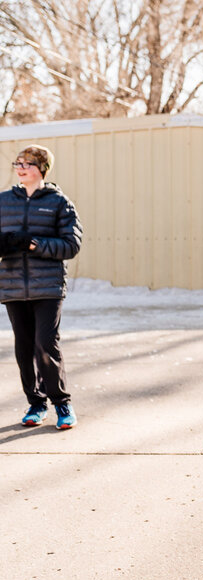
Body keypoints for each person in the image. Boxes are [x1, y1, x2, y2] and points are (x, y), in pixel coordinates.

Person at [0, 145, 82, 429]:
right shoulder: (3, 201)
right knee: (24, 348)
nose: (21, 168)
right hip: (12, 286)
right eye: (18, 163)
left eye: (28, 163)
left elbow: (72, 244)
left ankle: (62, 403)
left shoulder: (59, 202)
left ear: (43, 169)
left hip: (47, 286)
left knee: (45, 344)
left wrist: (33, 243)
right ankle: (35, 404)